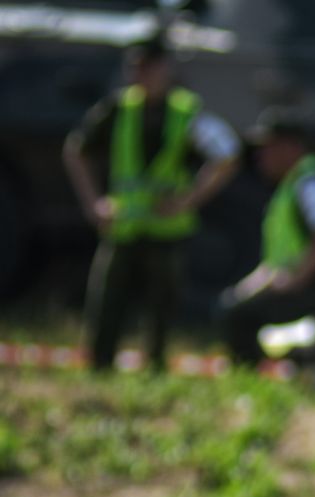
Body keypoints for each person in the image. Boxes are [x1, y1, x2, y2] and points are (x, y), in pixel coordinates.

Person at [62, 35, 240, 372]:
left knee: (163, 306)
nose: (140, 74)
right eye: (135, 67)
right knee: (107, 303)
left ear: (165, 69)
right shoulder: (118, 108)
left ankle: (155, 366)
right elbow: (77, 150)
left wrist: (188, 200)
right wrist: (93, 203)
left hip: (165, 228)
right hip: (123, 224)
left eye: (148, 67)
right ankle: (100, 367)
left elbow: (226, 157)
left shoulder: (185, 111)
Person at [217, 111, 315, 366]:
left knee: (242, 317)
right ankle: (303, 357)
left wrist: (295, 281)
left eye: (268, 148)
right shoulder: (294, 184)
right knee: (233, 306)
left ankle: (301, 359)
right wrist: (244, 290)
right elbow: (278, 259)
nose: (260, 156)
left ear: (291, 147)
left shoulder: (310, 183)